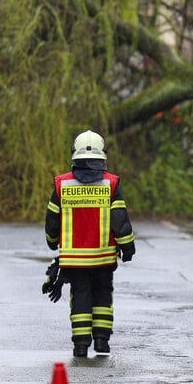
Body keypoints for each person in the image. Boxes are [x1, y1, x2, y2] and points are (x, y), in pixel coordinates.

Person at [45, 130, 135, 358]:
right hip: (103, 258)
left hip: (74, 260)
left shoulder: (61, 184)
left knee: (80, 296)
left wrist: (52, 242)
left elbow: (52, 219)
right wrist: (127, 247)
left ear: (74, 155)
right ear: (102, 156)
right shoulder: (111, 184)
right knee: (103, 295)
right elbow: (120, 219)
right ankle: (102, 342)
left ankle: (81, 345)